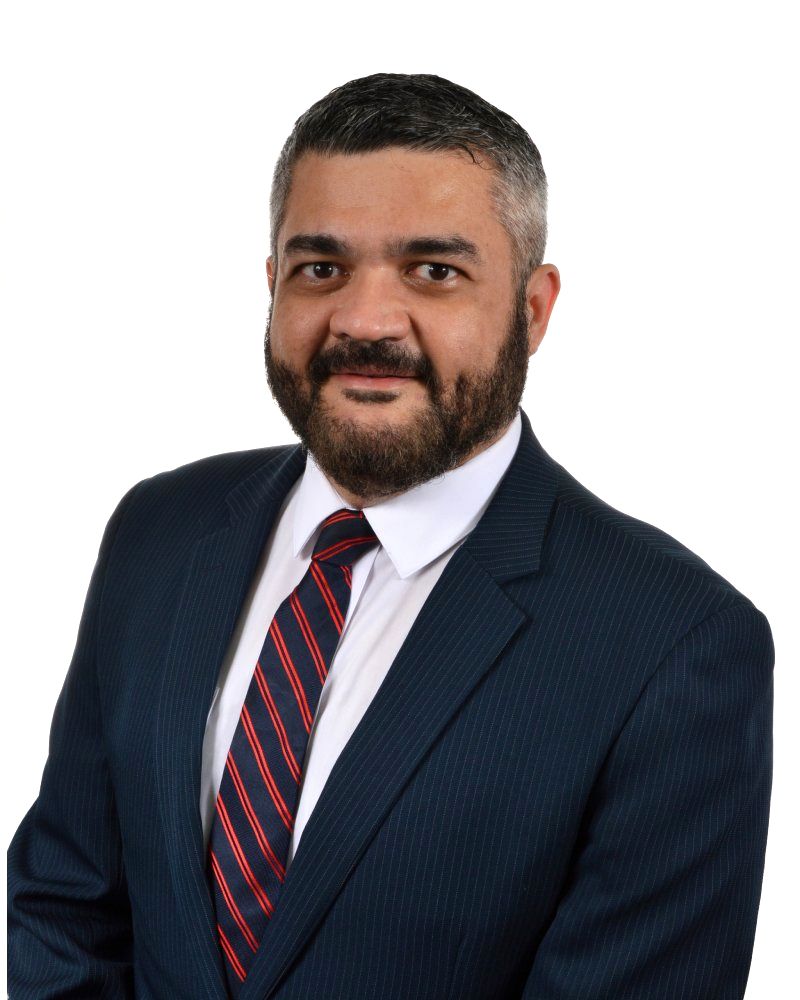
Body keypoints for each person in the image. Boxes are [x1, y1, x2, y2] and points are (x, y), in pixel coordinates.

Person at [7, 73, 774, 1000]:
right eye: (321, 268)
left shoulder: (679, 645)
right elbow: (64, 908)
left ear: (533, 310)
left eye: (434, 271)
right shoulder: (159, 531)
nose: (365, 321)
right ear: (272, 285)